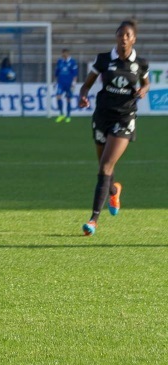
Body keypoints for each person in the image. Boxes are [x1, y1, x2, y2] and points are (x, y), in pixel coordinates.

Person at [78, 19, 150, 236]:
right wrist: (83, 96)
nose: (124, 38)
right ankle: (114, 190)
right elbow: (87, 84)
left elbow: (145, 82)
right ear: (116, 37)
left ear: (134, 39)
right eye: (121, 34)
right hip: (102, 116)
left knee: (105, 168)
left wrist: (144, 89)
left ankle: (93, 220)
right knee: (103, 165)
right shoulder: (103, 59)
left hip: (125, 117)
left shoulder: (140, 64)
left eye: (128, 35)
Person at [54, 48, 79, 123]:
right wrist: (55, 82)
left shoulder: (72, 62)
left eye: (64, 53)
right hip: (60, 83)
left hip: (69, 83)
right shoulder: (60, 61)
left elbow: (75, 74)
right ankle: (61, 114)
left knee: (68, 99)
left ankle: (68, 115)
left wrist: (74, 83)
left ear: (67, 54)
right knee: (58, 96)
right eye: (62, 53)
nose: (62, 55)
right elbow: (57, 72)